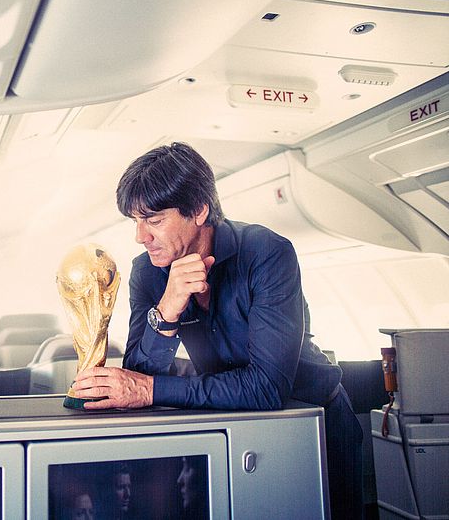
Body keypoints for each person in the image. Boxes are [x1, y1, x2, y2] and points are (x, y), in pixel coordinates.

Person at [72, 142, 363, 519]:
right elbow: (139, 373)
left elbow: (267, 388)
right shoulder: (147, 272)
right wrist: (168, 309)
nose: (140, 236)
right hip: (230, 419)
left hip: (313, 422)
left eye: (154, 220)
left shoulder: (267, 254)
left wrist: (149, 390)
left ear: (198, 210)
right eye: (135, 221)